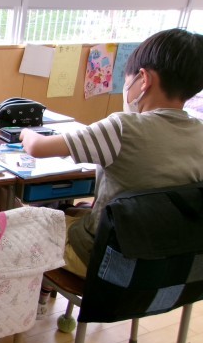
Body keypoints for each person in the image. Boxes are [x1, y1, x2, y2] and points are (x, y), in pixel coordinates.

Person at [19, 28, 203, 317]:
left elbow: (38, 148)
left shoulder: (122, 128)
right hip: (173, 271)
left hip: (106, 262)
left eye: (126, 82)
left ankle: (20, 311)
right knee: (75, 211)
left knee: (26, 220)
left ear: (144, 80)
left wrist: (25, 131)